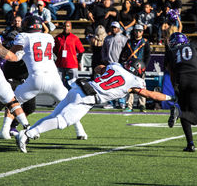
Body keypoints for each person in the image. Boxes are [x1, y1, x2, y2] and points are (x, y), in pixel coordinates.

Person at [15, 58, 175, 153]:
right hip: (88, 98)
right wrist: (171, 97)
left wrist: (105, 72)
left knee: (54, 116)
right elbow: (151, 95)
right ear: (138, 70)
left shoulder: (116, 66)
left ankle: (28, 132)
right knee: (63, 121)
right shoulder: (135, 81)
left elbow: (99, 68)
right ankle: (28, 135)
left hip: (78, 88)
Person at [0, 16, 88, 140]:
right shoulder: (48, 37)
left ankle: (5, 130)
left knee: (13, 101)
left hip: (36, 78)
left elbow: (11, 54)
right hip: (54, 79)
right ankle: (80, 131)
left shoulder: (23, 37)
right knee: (68, 104)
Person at [165, 32, 197, 152]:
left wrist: (175, 87)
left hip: (181, 82)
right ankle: (178, 113)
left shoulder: (171, 52)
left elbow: (172, 73)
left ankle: (190, 144)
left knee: (185, 111)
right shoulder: (195, 46)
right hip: (195, 80)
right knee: (195, 118)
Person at [120, 24, 151, 112]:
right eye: (136, 31)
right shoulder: (129, 42)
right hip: (130, 68)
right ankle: (129, 105)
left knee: (141, 86)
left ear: (142, 32)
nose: (138, 33)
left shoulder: (145, 42)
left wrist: (144, 66)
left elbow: (148, 55)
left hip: (140, 68)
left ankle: (142, 105)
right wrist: (122, 63)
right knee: (129, 86)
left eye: (140, 31)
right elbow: (123, 54)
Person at [101, 21, 128, 109]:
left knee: (121, 84)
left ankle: (122, 102)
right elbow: (103, 50)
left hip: (120, 65)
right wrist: (105, 59)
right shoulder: (107, 38)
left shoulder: (124, 39)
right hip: (109, 64)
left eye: (115, 27)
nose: (114, 29)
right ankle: (111, 103)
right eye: (112, 27)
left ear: (119, 28)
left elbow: (127, 51)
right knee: (109, 84)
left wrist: (124, 61)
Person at [54, 21, 85, 90]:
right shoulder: (57, 38)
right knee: (59, 84)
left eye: (68, 26)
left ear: (70, 27)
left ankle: (74, 98)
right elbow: (55, 50)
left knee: (74, 84)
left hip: (72, 64)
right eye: (64, 26)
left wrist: (78, 61)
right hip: (60, 64)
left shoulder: (75, 38)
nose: (66, 28)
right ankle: (61, 99)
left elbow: (81, 51)